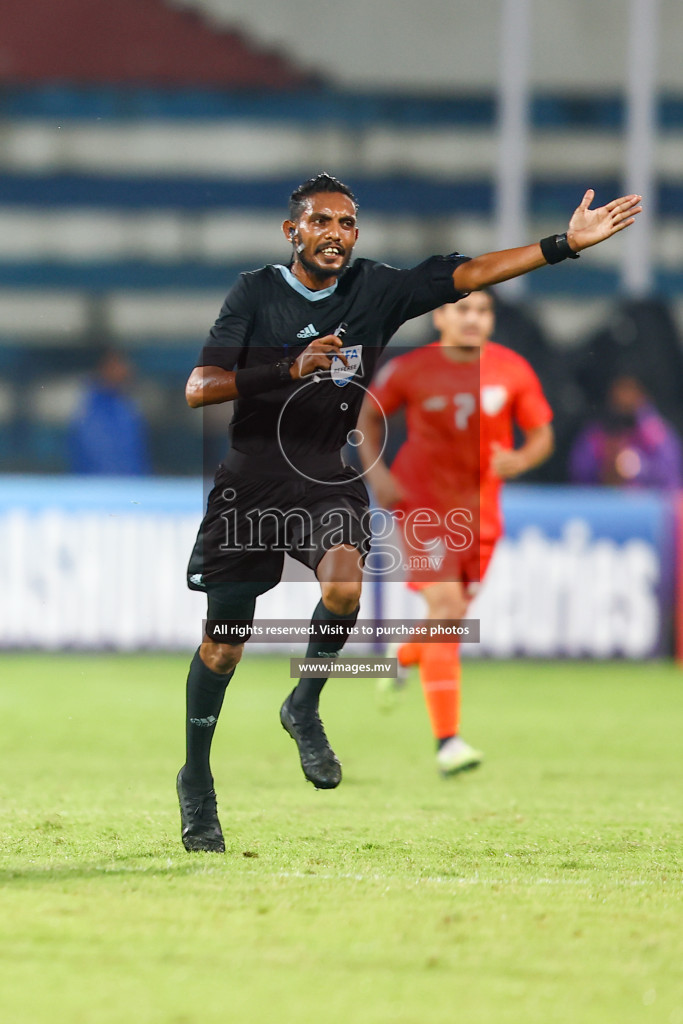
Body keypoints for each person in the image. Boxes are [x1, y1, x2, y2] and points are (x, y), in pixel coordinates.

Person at [177, 172, 641, 852]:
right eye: (322, 221)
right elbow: (199, 388)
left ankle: (303, 704)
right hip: (250, 484)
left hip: (327, 476)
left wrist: (561, 245)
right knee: (223, 646)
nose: (336, 232)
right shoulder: (255, 293)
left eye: (347, 223)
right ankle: (196, 781)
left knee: (343, 585)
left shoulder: (376, 289)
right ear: (293, 231)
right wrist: (290, 369)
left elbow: (470, 272)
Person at [357, 290, 553, 774]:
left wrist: (521, 459)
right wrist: (377, 475)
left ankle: (402, 659)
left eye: (482, 311)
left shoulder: (512, 369)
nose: (473, 319)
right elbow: (366, 416)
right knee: (446, 609)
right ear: (440, 315)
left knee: (453, 613)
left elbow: (542, 432)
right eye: (463, 309)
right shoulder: (411, 369)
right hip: (422, 504)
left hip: (481, 512)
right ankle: (448, 743)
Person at [569, 374, 682, 489]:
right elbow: (579, 476)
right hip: (603, 501)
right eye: (619, 390)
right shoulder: (595, 434)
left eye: (629, 390)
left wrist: (639, 467)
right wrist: (606, 467)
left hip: (647, 503)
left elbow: (671, 475)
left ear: (641, 394)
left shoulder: (655, 432)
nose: (623, 397)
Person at [68, 348, 151, 475]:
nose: (124, 370)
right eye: (117, 365)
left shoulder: (126, 404)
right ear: (103, 368)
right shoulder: (89, 406)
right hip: (100, 486)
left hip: (130, 486)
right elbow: (99, 453)